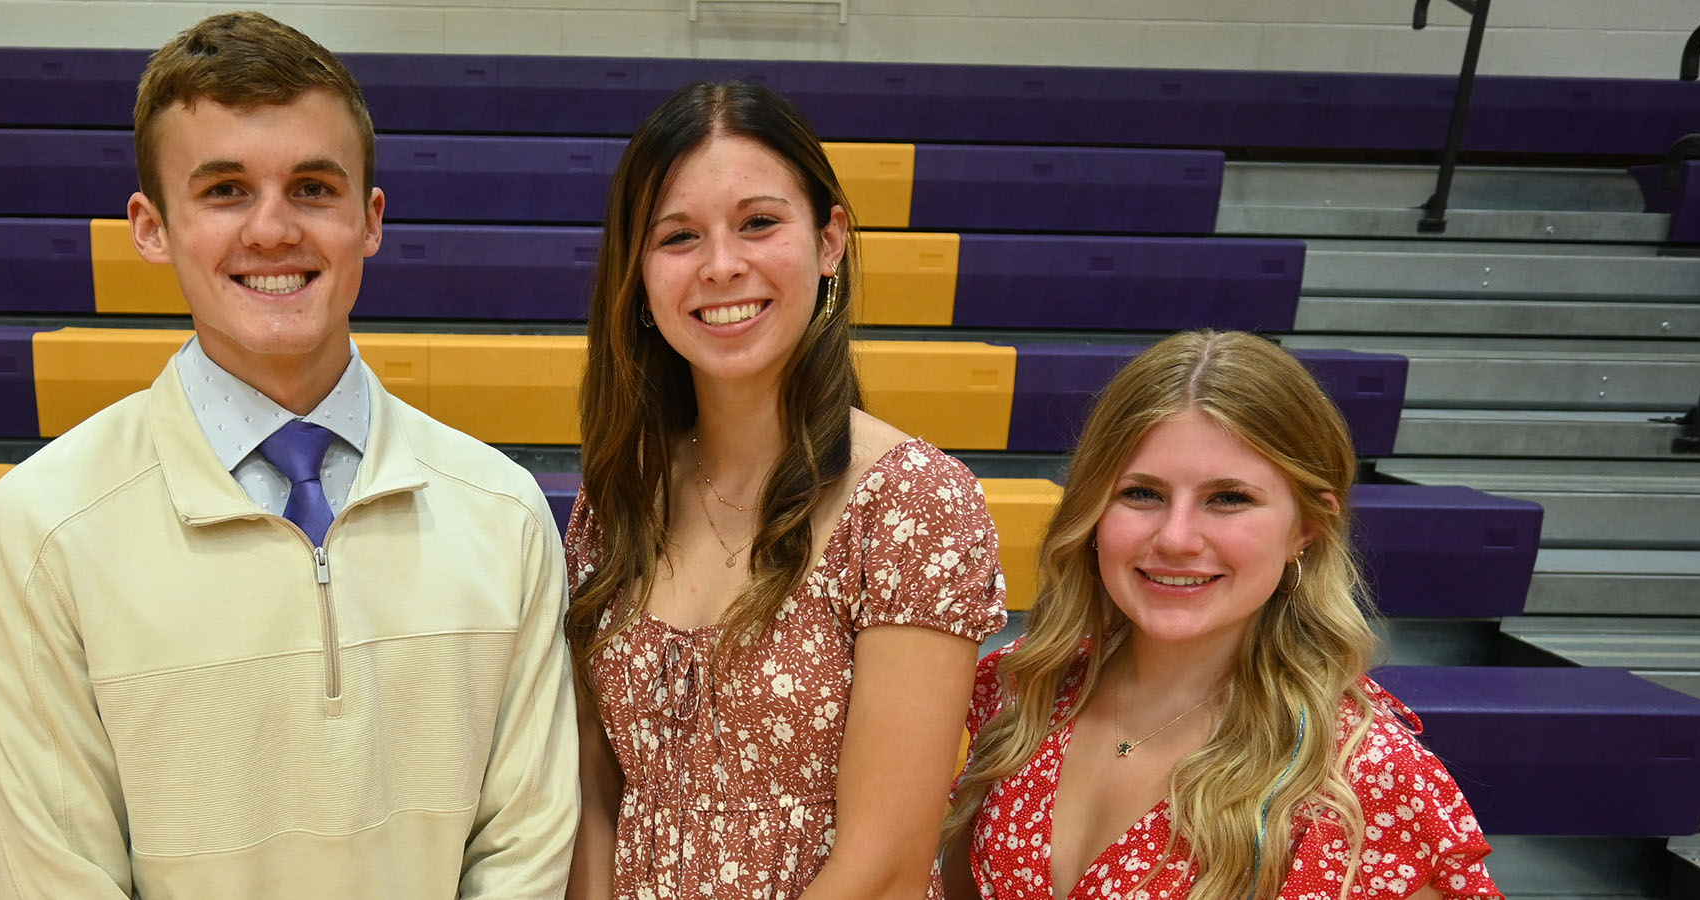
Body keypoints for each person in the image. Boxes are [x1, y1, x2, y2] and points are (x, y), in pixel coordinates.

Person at [0, 11, 578, 898]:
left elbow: (526, 848)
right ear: (151, 227)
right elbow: (53, 875)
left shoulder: (501, 510)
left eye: (313, 188)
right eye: (225, 191)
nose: (274, 230)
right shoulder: (41, 529)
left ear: (370, 220)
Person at [563, 80, 1009, 900]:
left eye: (759, 223)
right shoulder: (616, 497)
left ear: (830, 239)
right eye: (678, 236)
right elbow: (595, 801)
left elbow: (886, 860)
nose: (722, 264)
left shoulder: (913, 504)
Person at [941, 331, 1500, 900]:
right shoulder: (1021, 686)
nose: (1176, 538)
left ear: (1306, 528)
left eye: (1229, 498)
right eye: (1142, 494)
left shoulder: (1365, 780)